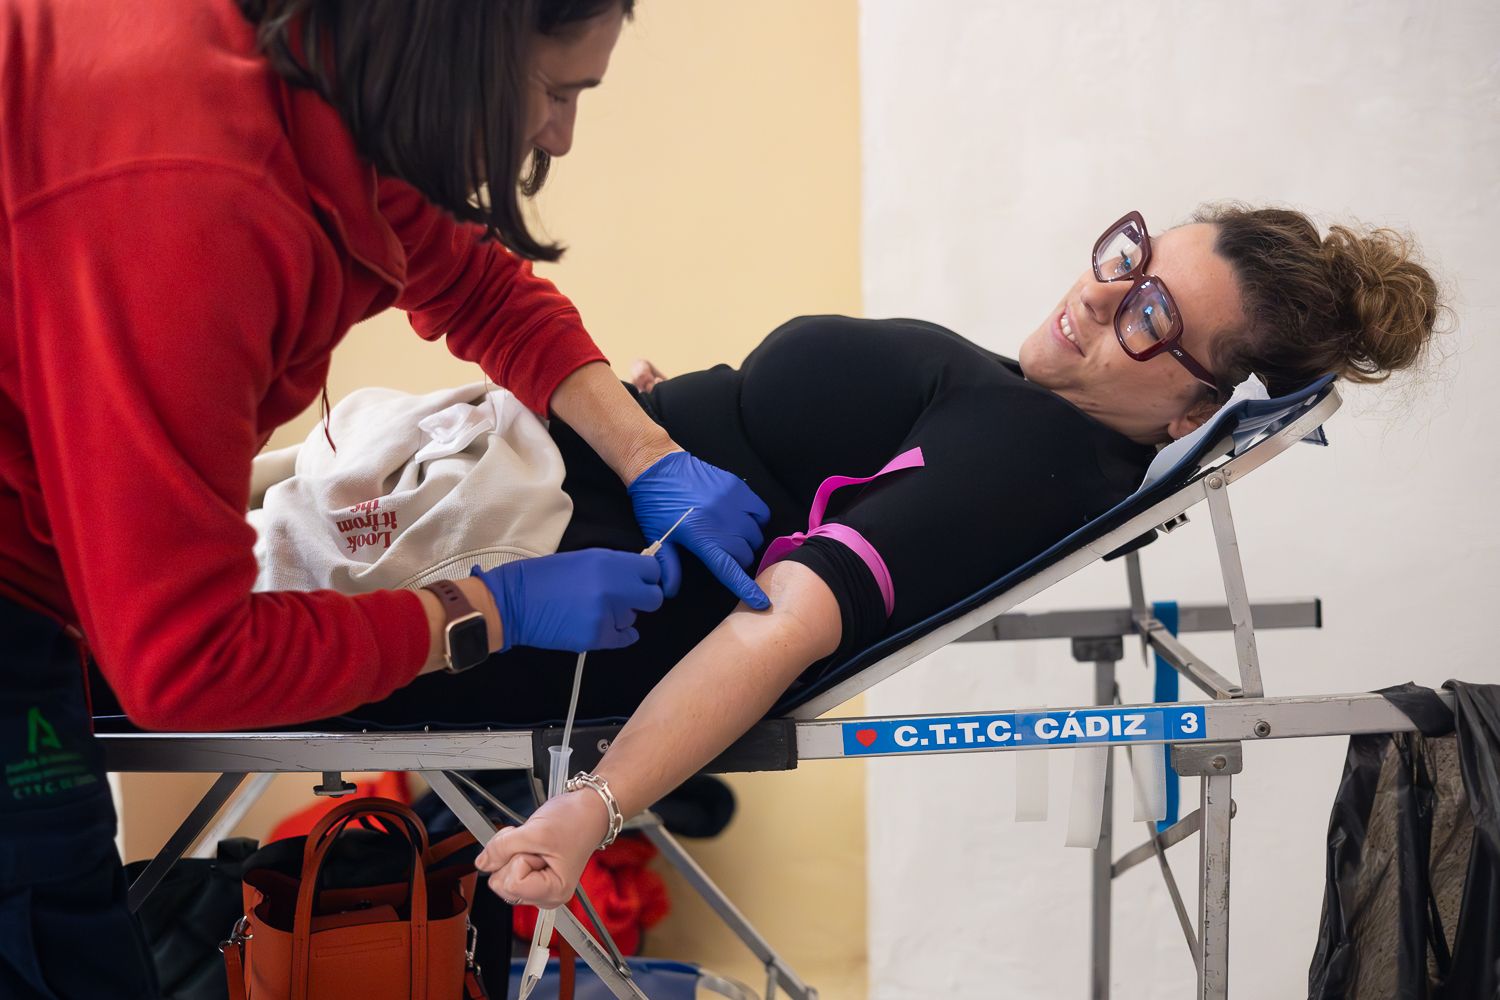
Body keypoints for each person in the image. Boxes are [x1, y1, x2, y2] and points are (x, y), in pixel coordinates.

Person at [0, 2, 771, 996]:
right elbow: (186, 662)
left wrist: (648, 451)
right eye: (555, 91)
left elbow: (478, 285)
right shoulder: (197, 197)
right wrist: (488, 609)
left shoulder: (323, 89)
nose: (560, 138)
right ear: (462, 44)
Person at [468, 204, 1443, 908]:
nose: (1102, 293)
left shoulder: (1033, 456)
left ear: (1196, 415)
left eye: (1151, 318)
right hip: (551, 489)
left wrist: (593, 806)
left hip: (541, 565)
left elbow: (785, 623)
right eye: (1130, 256)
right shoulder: (1040, 411)